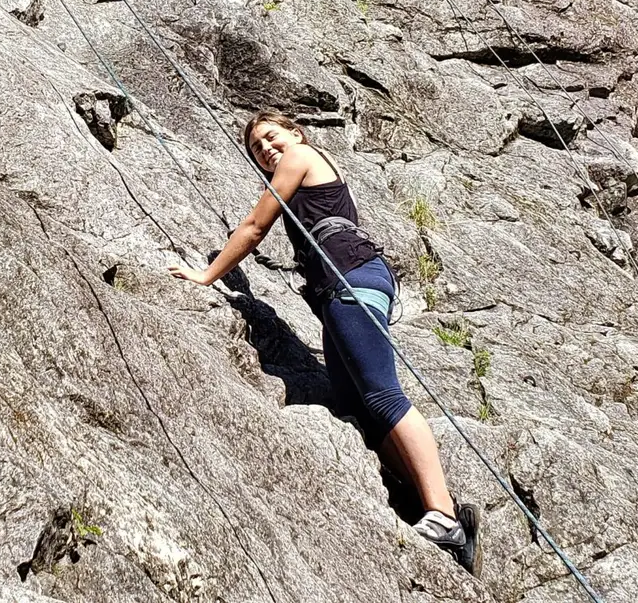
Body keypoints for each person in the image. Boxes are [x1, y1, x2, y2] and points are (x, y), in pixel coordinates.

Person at [170, 111, 480, 571]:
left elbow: (256, 227)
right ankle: (446, 513)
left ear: (294, 133)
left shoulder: (300, 155)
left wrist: (207, 275)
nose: (267, 149)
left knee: (383, 394)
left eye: (270, 137)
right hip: (342, 288)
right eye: (257, 148)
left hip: (350, 281)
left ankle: (440, 515)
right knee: (361, 405)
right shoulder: (302, 164)